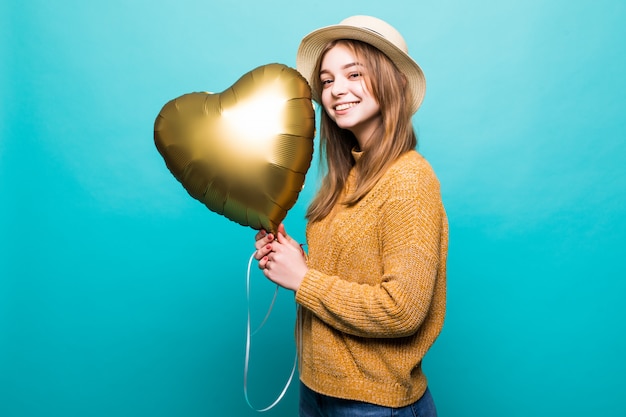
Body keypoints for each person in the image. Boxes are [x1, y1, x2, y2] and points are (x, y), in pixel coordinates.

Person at [254, 15, 448, 417]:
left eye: (353, 74)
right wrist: (295, 260)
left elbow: (402, 311)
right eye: (326, 81)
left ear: (391, 82)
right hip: (317, 390)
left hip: (373, 404)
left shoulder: (409, 179)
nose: (335, 90)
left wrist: (304, 280)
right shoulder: (346, 177)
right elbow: (352, 272)